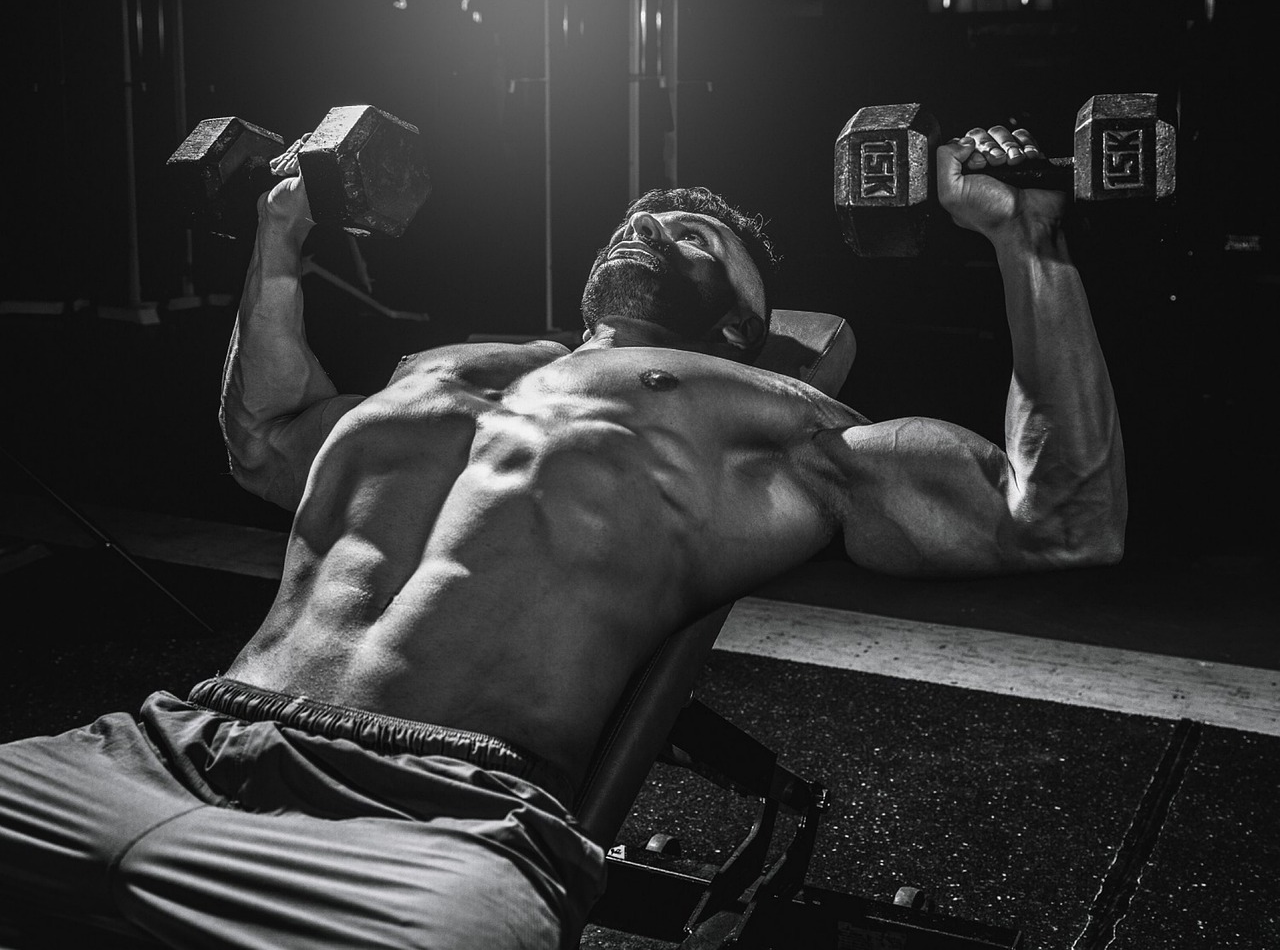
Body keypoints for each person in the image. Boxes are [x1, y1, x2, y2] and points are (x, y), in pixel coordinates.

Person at [0, 122, 1124, 949]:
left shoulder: (761, 420)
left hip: (417, 829)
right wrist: (279, 247)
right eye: (651, 214)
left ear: (742, 319)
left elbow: (1058, 516)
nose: (657, 221)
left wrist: (1026, 247)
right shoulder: (435, 373)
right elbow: (265, 437)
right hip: (162, 744)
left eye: (702, 234)